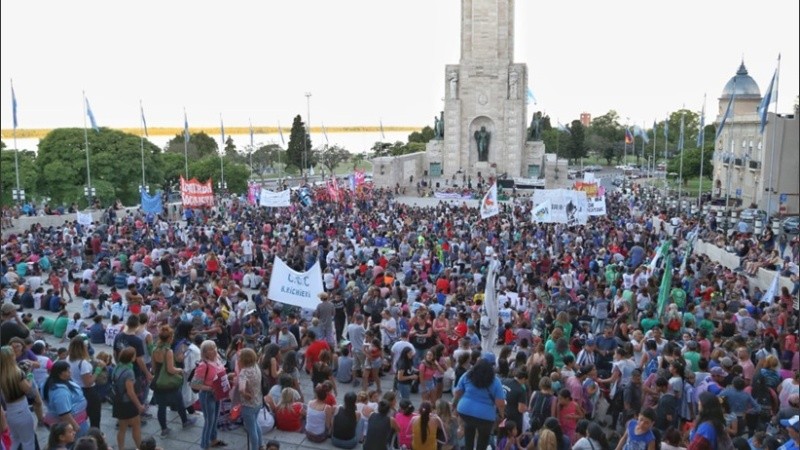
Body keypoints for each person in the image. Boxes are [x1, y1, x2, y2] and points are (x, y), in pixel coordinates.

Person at [452, 354, 506, 450]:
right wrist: (502, 415)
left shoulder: (467, 375)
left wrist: (454, 405)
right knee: (483, 441)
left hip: (465, 411)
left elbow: (457, 393)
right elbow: (500, 403)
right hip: (485, 416)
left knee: (468, 434)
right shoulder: (495, 381)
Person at [151, 325, 194, 436]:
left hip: (158, 381)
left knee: (161, 407)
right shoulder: (168, 351)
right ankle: (185, 422)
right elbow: (170, 369)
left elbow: (154, 368)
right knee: (179, 401)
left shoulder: (155, 349)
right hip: (169, 382)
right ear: (170, 338)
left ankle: (164, 429)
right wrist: (180, 370)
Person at [191, 340, 230, 450]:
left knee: (215, 419)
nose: (214, 350)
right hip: (207, 395)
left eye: (215, 347)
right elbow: (194, 384)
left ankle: (213, 440)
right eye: (210, 349)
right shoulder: (203, 365)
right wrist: (210, 388)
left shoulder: (217, 360)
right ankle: (204, 446)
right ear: (205, 353)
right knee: (209, 421)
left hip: (217, 394)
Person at [0, 345, 39, 450]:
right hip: (21, 409)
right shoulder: (17, 373)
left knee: (14, 440)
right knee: (28, 442)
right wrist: (30, 375)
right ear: (11, 357)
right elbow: (27, 389)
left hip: (8, 410)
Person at [41, 360, 89, 437]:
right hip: (71, 425)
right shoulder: (60, 392)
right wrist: (75, 426)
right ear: (60, 373)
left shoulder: (53, 382)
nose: (70, 372)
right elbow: (64, 413)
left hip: (74, 421)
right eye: (67, 371)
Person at [111, 347, 145, 450]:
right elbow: (130, 392)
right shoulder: (129, 372)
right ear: (131, 358)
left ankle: (121, 448)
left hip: (118, 402)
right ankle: (140, 447)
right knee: (136, 427)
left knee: (122, 428)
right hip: (128, 403)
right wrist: (139, 405)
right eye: (134, 355)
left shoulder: (117, 367)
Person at [67, 335, 103, 429]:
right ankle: (94, 434)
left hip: (75, 389)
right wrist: (98, 369)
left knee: (79, 415)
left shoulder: (68, 359)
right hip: (88, 392)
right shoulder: (83, 363)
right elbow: (88, 383)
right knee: (94, 417)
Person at [237, 348, 263, 450]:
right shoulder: (256, 366)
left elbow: (241, 389)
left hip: (248, 405)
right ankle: (261, 445)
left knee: (251, 429)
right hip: (258, 401)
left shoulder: (244, 372)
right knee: (255, 424)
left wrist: (244, 394)